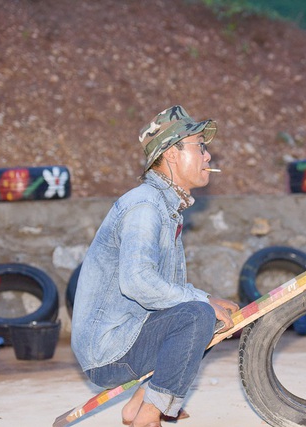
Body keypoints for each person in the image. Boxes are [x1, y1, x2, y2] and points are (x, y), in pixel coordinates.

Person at [71, 105, 239, 427]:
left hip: (125, 337)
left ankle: (139, 404)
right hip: (108, 350)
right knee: (198, 314)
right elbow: (137, 282)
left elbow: (161, 292)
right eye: (200, 147)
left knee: (206, 313)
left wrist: (204, 298)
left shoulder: (164, 206)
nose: (207, 156)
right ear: (172, 155)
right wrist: (202, 302)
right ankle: (149, 417)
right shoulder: (145, 206)